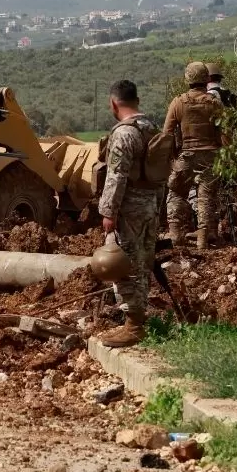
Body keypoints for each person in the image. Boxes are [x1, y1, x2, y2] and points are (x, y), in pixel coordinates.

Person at [97, 79, 163, 348]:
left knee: (122, 264)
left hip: (129, 210)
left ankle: (133, 325)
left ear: (114, 103)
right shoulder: (151, 128)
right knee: (144, 262)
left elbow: (116, 176)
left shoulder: (124, 134)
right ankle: (138, 318)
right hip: (151, 206)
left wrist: (108, 211)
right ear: (137, 99)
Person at [164, 61, 225, 249]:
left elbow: (167, 133)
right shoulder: (215, 103)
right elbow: (225, 132)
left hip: (186, 156)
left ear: (187, 79)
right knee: (206, 196)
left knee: (176, 192)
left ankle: (175, 235)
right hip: (210, 156)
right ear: (206, 79)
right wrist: (225, 155)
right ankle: (203, 238)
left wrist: (173, 157)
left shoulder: (178, 102)